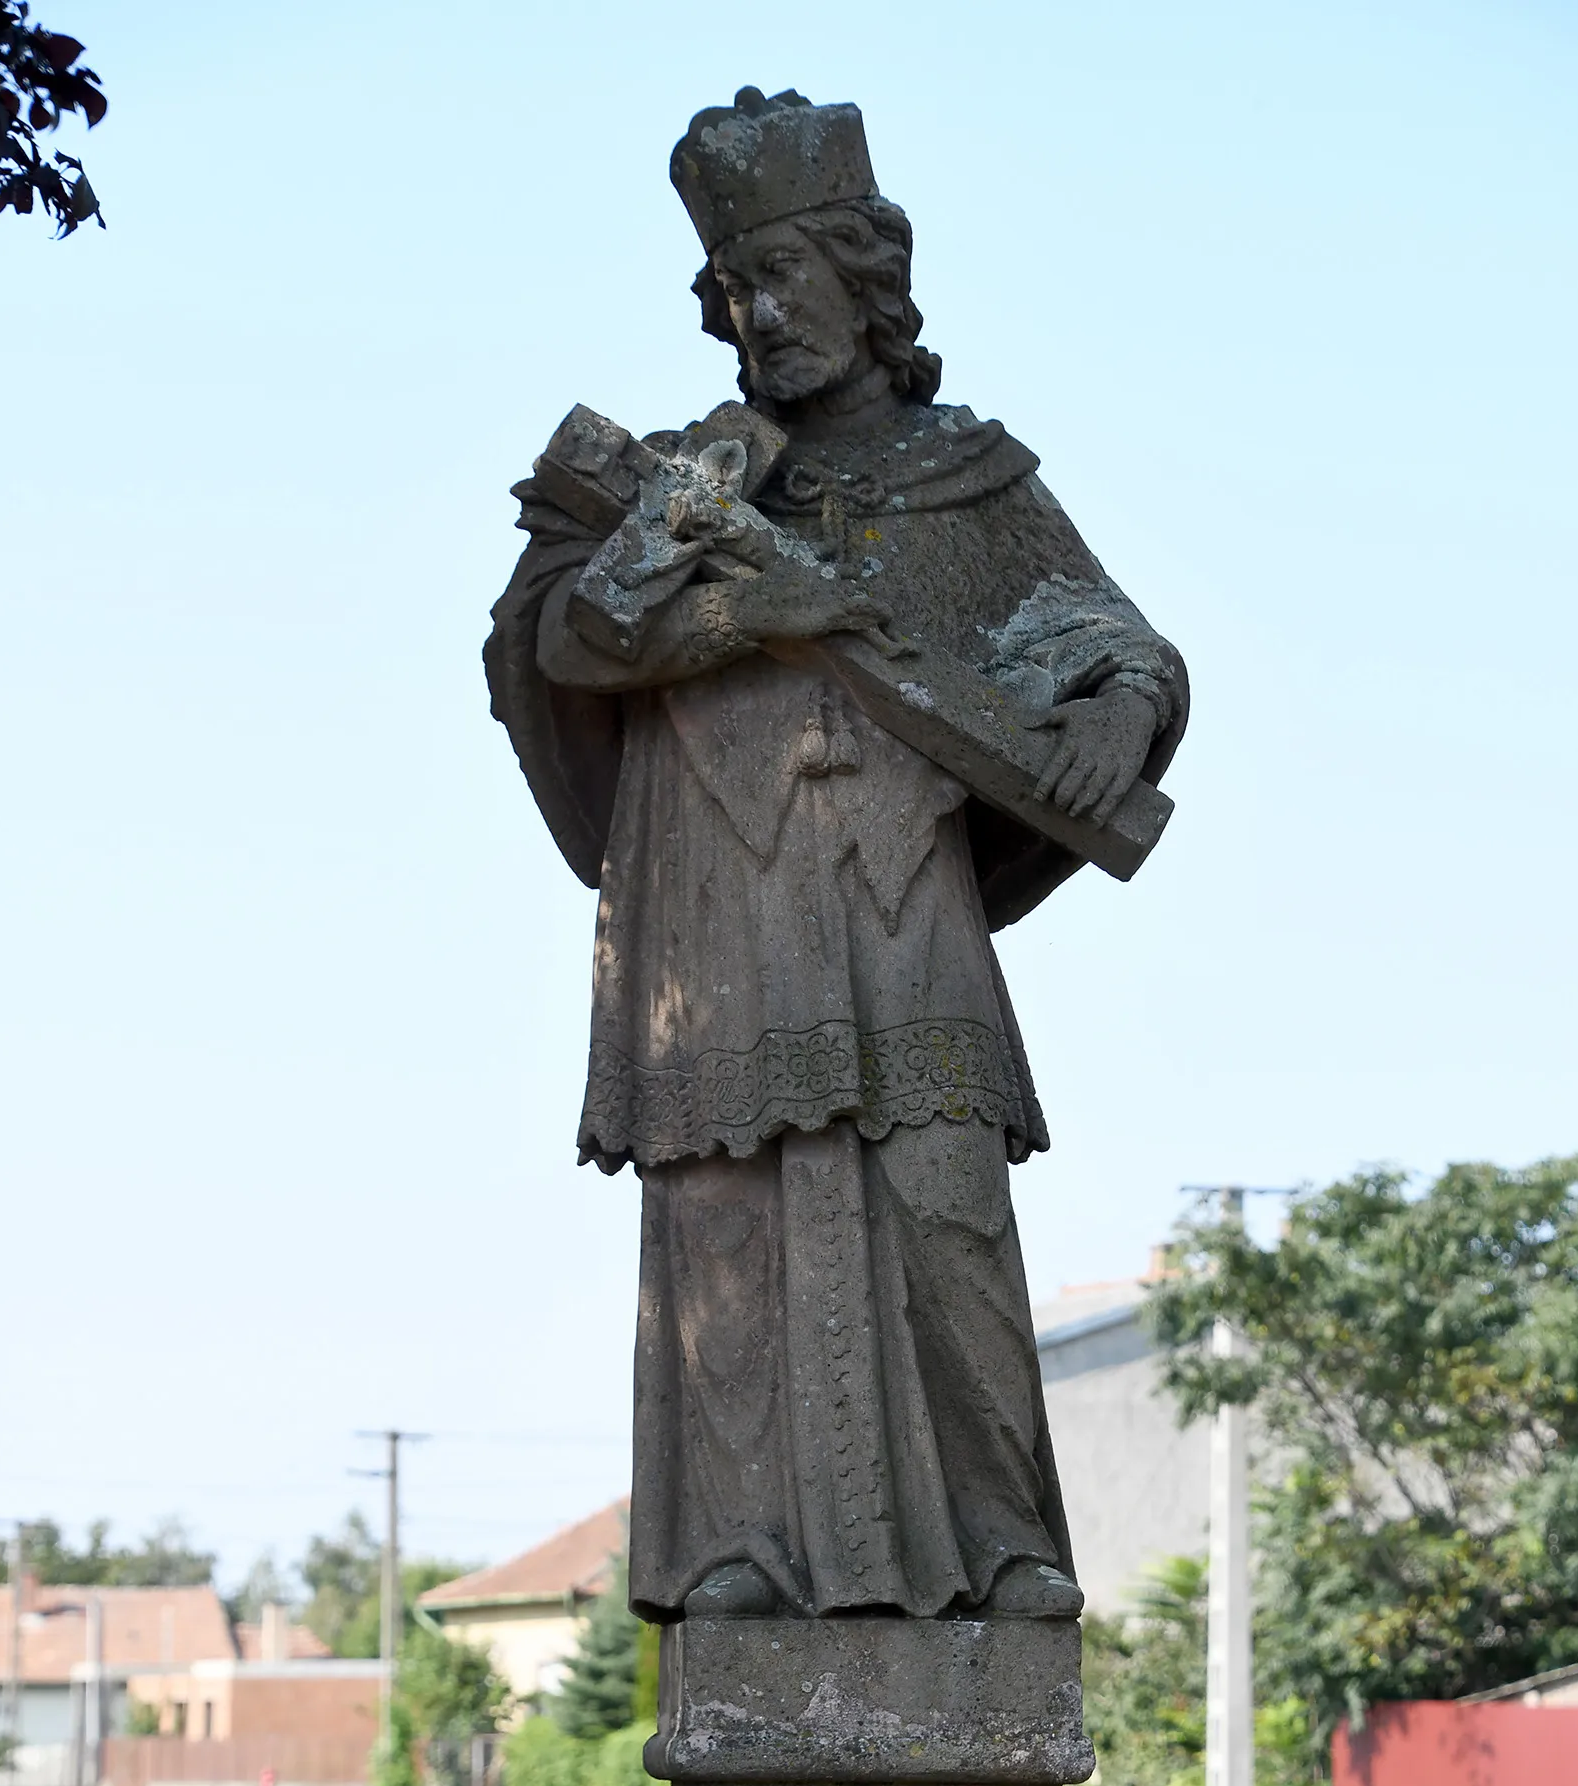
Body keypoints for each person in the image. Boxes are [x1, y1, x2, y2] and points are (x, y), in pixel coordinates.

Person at [485, 88, 1187, 1623]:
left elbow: (1104, 636)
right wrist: (750, 605)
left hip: (894, 883)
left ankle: (1002, 1548)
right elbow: (568, 632)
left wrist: (1121, 715)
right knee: (727, 1211)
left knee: (946, 1196)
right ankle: (734, 1554)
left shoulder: (967, 476)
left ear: (868, 282)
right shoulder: (691, 473)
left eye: (785, 280)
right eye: (735, 293)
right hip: (719, 896)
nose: (759, 316)